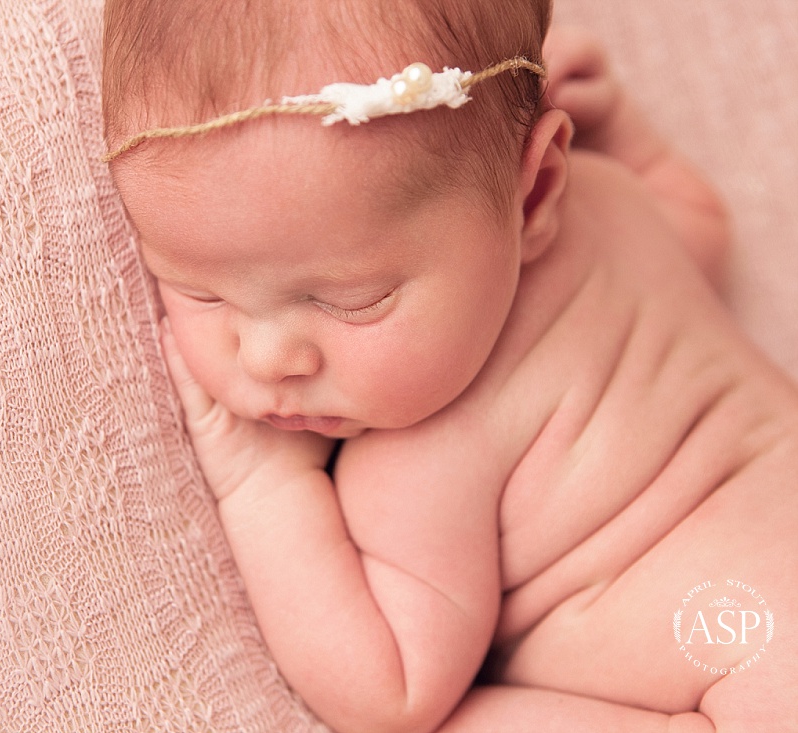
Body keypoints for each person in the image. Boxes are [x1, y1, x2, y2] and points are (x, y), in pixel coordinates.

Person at [102, 1, 798, 730]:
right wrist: (624, 132)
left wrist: (263, 482)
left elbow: (390, 691)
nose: (268, 357)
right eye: (200, 291)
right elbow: (703, 232)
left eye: (353, 299)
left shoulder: (423, 452)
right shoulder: (617, 200)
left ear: (534, 192)